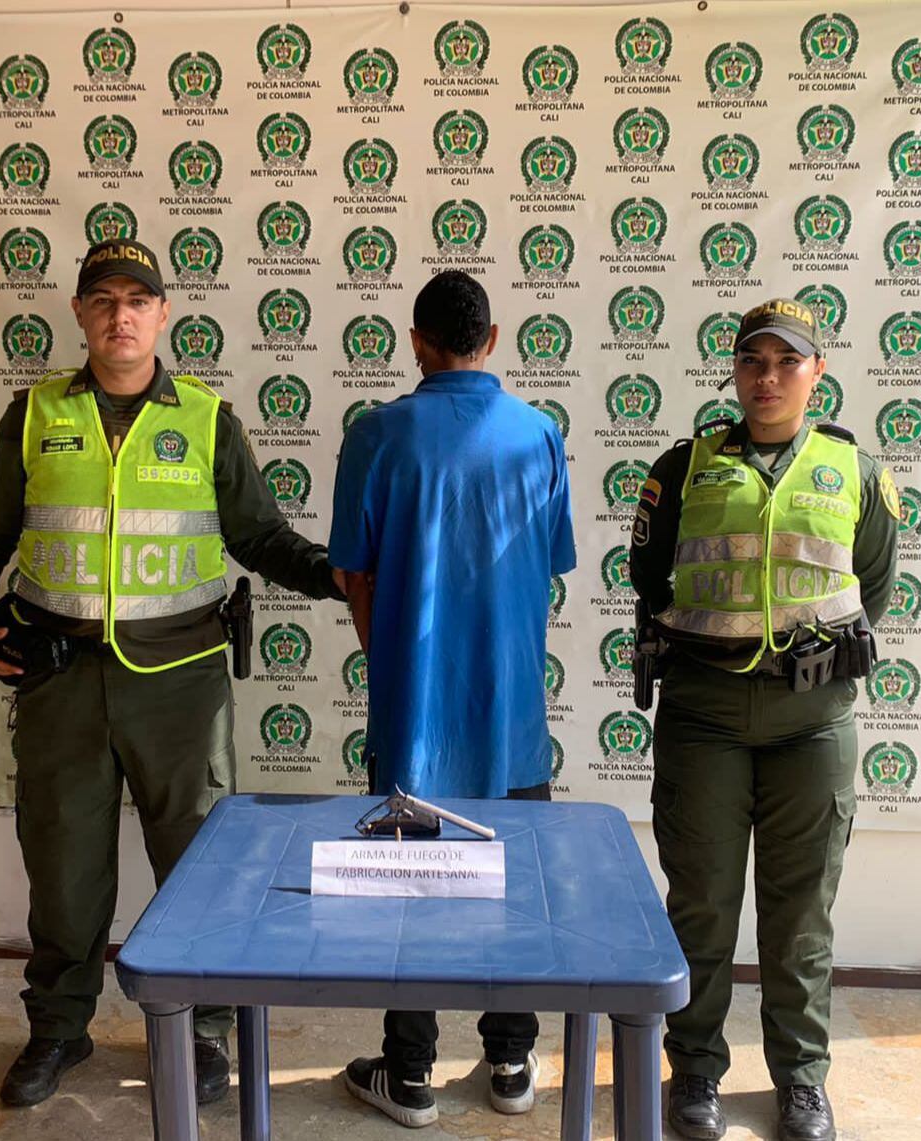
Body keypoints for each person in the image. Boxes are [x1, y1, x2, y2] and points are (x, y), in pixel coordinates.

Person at [0, 239, 344, 1108]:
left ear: (164, 315)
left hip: (182, 684)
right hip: (59, 681)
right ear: (81, 314)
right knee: (63, 866)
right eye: (104, 300)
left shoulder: (203, 418)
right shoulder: (36, 414)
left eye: (138, 300)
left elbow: (262, 538)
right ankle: (57, 1031)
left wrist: (339, 577)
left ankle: (203, 1031)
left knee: (202, 865)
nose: (121, 315)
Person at [629, 297, 899, 1141]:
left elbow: (875, 588)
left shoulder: (856, 473)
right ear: (735, 371)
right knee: (702, 908)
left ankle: (802, 1082)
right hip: (704, 716)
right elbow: (649, 577)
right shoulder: (683, 468)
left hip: (812, 723)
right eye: (754, 361)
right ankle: (697, 1073)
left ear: (818, 373)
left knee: (800, 918)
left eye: (788, 362)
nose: (769, 377)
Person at [329, 270, 576, 1128]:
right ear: (494, 339)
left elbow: (352, 572)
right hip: (512, 720)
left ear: (416, 342)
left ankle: (410, 1075)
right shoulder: (540, 434)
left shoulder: (376, 434)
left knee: (412, 895)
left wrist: (393, 656)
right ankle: (511, 1061)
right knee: (511, 890)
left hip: (413, 721)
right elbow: (548, 567)